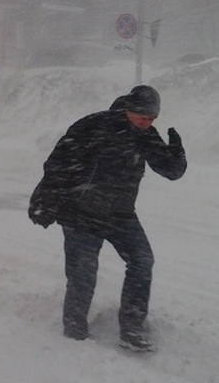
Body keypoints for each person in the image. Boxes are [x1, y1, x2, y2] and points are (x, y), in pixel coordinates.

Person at [28, 85, 187, 352]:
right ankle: (75, 331)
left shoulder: (145, 135)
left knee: (142, 260)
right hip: (81, 212)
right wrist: (44, 199)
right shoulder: (94, 125)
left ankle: (132, 328)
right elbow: (58, 163)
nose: (147, 123)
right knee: (83, 274)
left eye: (152, 119)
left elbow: (170, 171)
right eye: (142, 117)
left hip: (120, 214)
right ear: (128, 109)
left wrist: (177, 152)